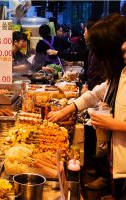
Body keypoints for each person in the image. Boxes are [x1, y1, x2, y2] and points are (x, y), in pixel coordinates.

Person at [48, 14, 126, 199]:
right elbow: (96, 93)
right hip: (117, 159)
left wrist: (113, 124)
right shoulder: (120, 73)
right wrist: (67, 109)